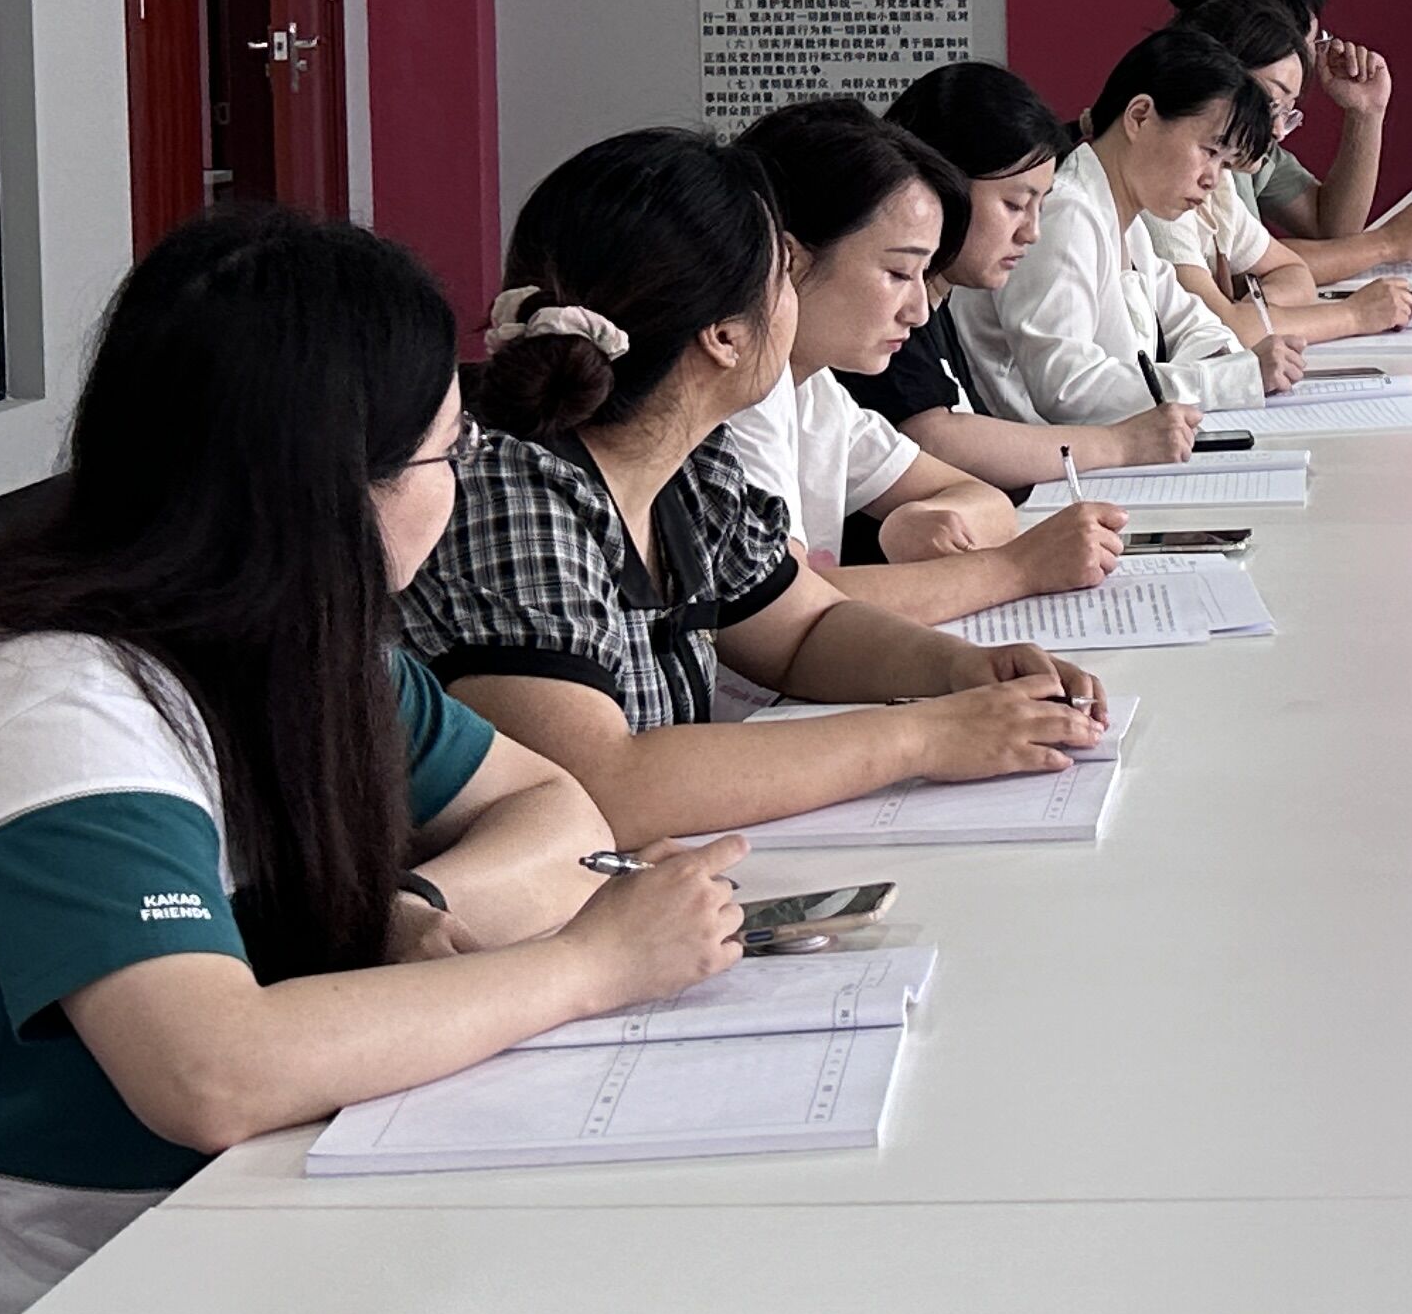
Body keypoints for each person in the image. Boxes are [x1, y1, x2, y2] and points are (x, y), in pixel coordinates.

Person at [0, 206, 745, 1314]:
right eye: (446, 456)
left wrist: (414, 902)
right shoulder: (57, 710)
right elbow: (212, 1074)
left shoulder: (298, 653)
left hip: (163, 1272)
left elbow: (556, 809)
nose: (460, 490)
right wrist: (590, 967)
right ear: (330, 489)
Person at [400, 128, 1113, 846]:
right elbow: (602, 786)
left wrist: (962, 671)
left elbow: (804, 631)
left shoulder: (690, 467)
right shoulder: (509, 495)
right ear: (724, 336)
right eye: (782, 278)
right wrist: (925, 736)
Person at [726, 97, 1129, 625]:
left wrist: (925, 517)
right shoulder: (739, 397)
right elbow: (780, 609)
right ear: (790, 259)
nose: (918, 311)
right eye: (898, 273)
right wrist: (1016, 568)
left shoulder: (815, 391)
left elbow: (986, 500)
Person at [863, 61, 1202, 490]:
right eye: (1014, 205)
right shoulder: (885, 302)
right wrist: (1121, 443)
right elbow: (934, 438)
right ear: (940, 186)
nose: (1032, 233)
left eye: (1040, 206)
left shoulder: (937, 298)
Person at [959, 28, 1300, 427]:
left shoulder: (1129, 219)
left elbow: (1195, 323)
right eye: (1209, 151)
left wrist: (1229, 369)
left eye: (1225, 163)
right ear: (1139, 117)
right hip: (1044, 457)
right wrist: (1228, 379)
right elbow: (1068, 388)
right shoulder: (1065, 213)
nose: (1212, 179)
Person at [1152, 0, 1412, 352]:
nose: (1277, 130)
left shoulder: (1222, 179)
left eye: (1287, 112)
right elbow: (1227, 330)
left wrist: (1255, 315)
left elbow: (1297, 268)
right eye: (1271, 104)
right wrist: (1355, 314)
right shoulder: (1169, 181)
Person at [1160, 0, 1412, 275]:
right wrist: (1386, 244)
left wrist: (1366, 113)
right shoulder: (1183, 149)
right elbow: (1246, 272)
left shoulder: (1250, 144)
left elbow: (1327, 230)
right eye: (1312, 43)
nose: (1314, 58)